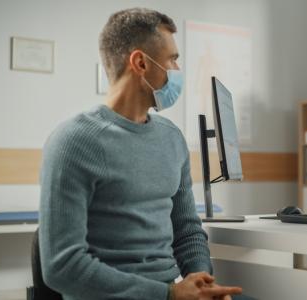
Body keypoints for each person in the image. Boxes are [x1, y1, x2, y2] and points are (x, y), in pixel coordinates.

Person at [39, 8, 242, 300]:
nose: (177, 69)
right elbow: (62, 267)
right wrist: (168, 294)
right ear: (140, 63)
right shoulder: (73, 142)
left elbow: (187, 231)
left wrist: (201, 281)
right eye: (172, 59)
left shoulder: (171, 138)